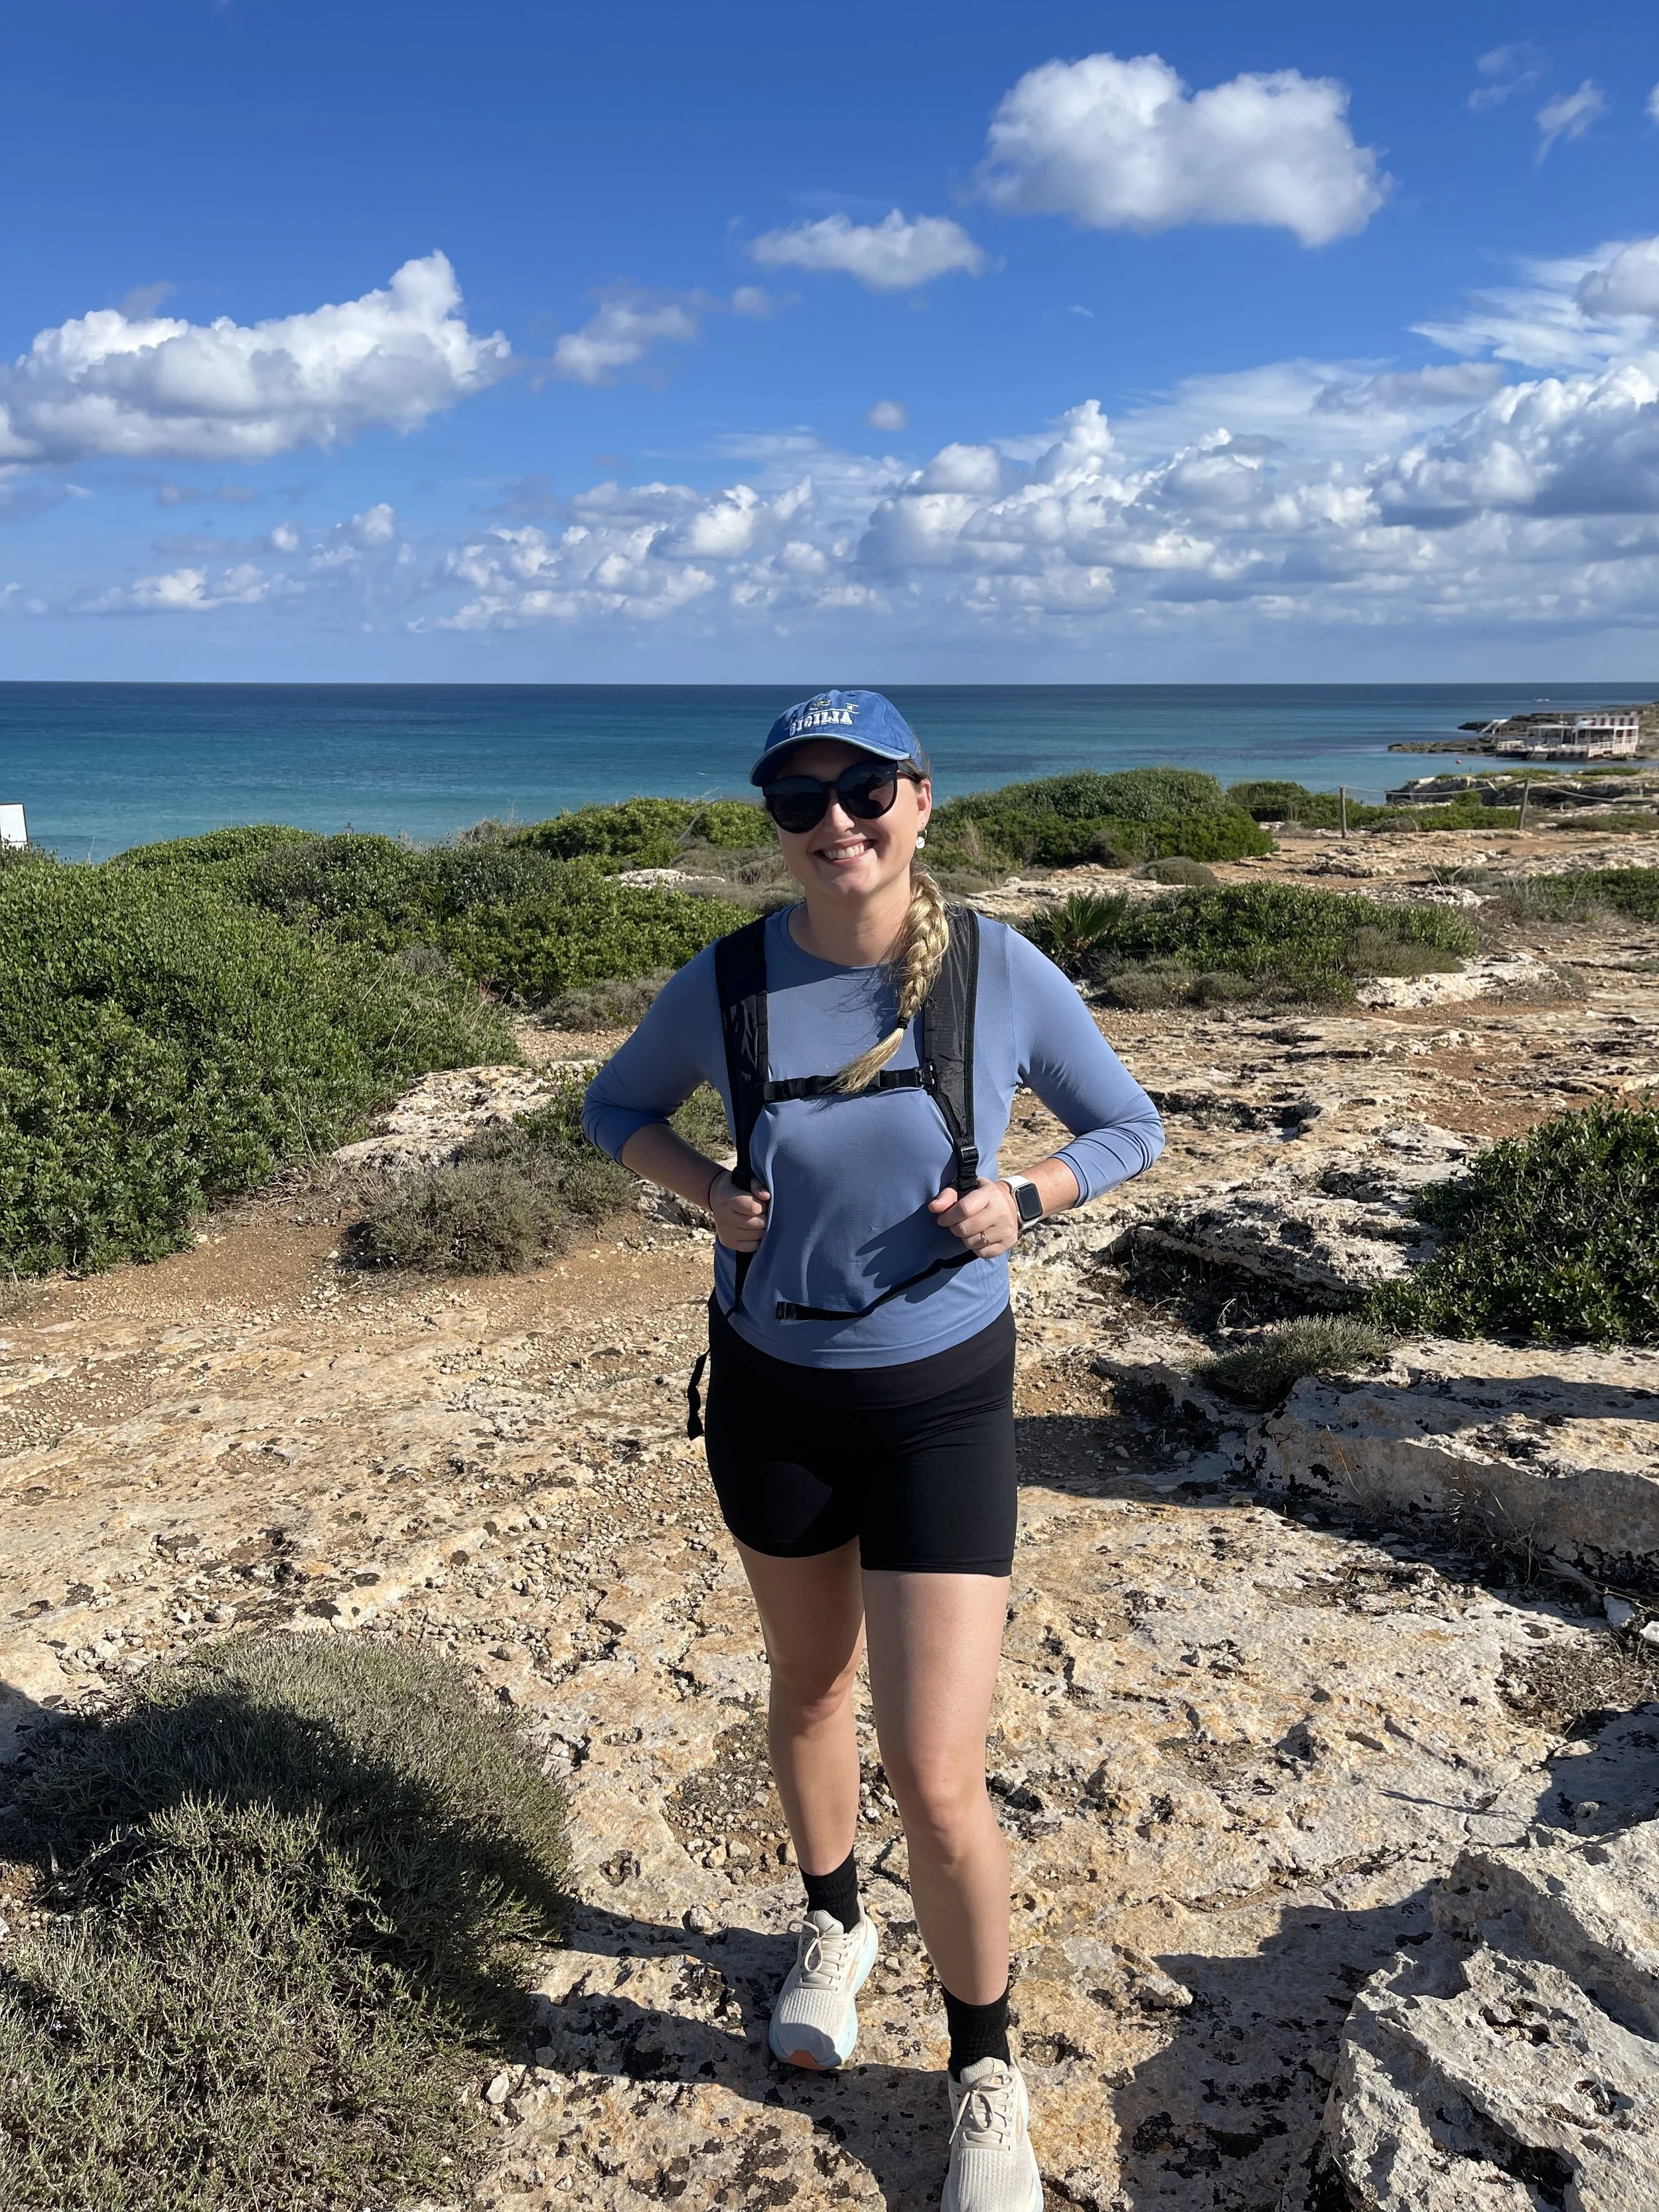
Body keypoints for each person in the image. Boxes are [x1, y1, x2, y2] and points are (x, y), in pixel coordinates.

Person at [583, 690, 1164, 2212]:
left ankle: (984, 2069)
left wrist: (1024, 1200)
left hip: (939, 1403)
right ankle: (833, 1925)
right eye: (798, 800)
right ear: (776, 826)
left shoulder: (995, 967)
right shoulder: (729, 982)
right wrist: (703, 1188)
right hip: (772, 1388)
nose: (832, 822)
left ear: (918, 799)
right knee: (808, 1686)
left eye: (860, 791)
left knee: (936, 1763)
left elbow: (1127, 1126)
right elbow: (613, 1104)